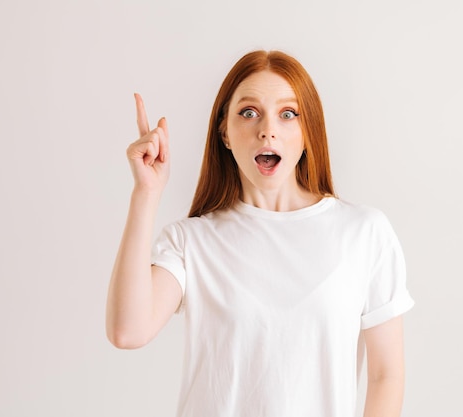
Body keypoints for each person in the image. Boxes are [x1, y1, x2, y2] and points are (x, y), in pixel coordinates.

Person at [106, 50, 414, 417]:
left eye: (288, 114)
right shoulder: (192, 242)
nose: (267, 129)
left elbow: (386, 375)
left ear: (307, 132)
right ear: (225, 133)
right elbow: (127, 331)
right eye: (248, 112)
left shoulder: (364, 233)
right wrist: (146, 192)